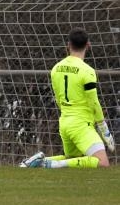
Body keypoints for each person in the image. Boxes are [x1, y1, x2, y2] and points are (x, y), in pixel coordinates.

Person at [20, 28, 115, 169]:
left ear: (68, 45)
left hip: (64, 123)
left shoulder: (56, 68)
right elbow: (93, 102)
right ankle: (51, 164)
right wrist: (103, 128)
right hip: (81, 124)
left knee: (74, 159)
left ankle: (36, 161)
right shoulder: (87, 71)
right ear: (88, 45)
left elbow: (58, 99)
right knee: (102, 163)